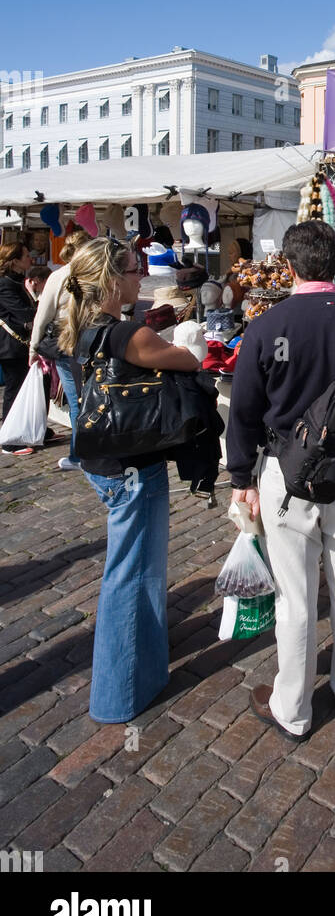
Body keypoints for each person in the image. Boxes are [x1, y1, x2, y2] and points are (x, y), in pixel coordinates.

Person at [226, 220, 335, 743]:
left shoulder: (266, 326)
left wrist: (241, 477)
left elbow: (244, 412)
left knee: (295, 594)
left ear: (291, 265)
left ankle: (294, 706)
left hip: (285, 471)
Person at [59, 237, 202, 724]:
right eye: (132, 270)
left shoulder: (81, 329)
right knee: (132, 576)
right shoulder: (126, 335)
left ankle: (145, 666)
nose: (140, 277)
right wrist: (188, 341)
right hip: (133, 469)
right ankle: (118, 695)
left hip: (105, 463)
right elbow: (188, 361)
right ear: (110, 280)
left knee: (137, 572)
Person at [30, 228, 93, 471]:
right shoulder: (95, 274)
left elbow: (42, 317)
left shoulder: (59, 276)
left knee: (78, 403)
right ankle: (93, 451)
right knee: (93, 399)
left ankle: (79, 456)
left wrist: (33, 349)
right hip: (92, 343)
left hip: (68, 345)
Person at [0, 242, 37, 455]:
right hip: (10, 346)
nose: (30, 258)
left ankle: (28, 430)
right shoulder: (5, 284)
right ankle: (9, 440)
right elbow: (24, 313)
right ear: (15, 260)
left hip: (17, 343)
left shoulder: (15, 281)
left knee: (25, 388)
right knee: (14, 390)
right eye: (25, 255)